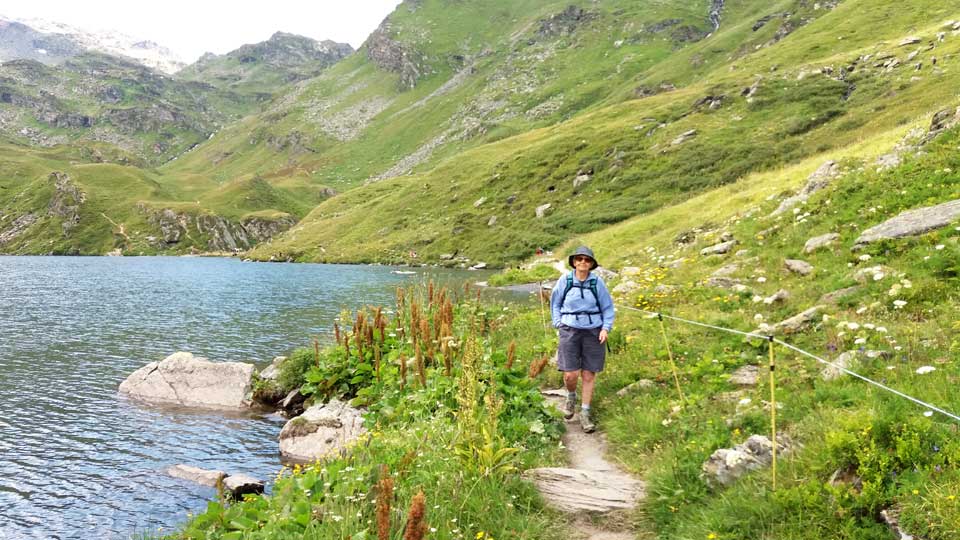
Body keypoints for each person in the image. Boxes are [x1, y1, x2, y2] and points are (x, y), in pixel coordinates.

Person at [550, 246, 615, 433]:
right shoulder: (565, 280)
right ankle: (571, 396)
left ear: (592, 264)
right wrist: (558, 323)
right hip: (569, 329)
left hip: (593, 330)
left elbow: (608, 308)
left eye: (587, 260)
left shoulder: (597, 283)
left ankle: (585, 413)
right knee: (570, 374)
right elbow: (555, 303)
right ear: (574, 262)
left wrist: (605, 328)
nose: (583, 263)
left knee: (588, 374)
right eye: (579, 259)